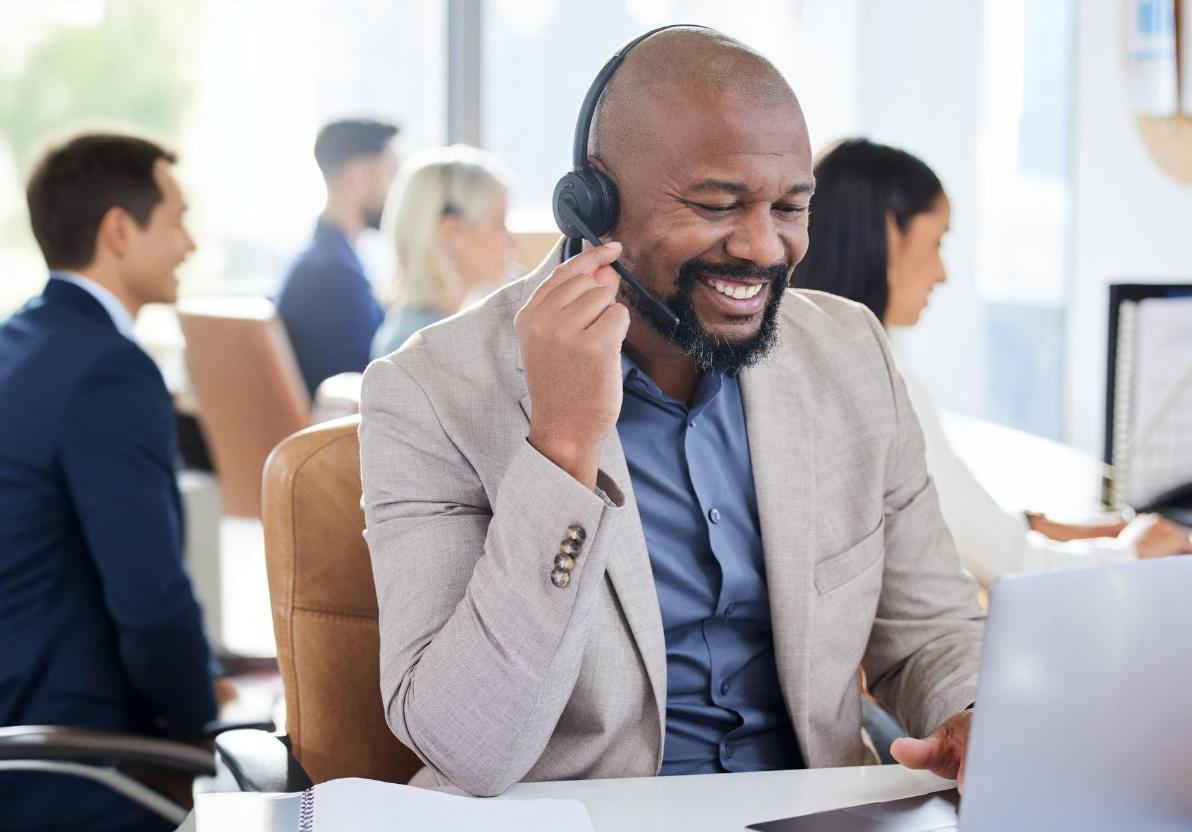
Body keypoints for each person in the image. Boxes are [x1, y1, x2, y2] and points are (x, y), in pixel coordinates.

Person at [359, 27, 982, 796]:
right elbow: (466, 744)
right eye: (717, 205)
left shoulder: (848, 353)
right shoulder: (431, 391)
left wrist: (970, 709)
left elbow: (930, 634)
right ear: (594, 200)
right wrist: (561, 446)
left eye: (790, 206)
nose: (762, 247)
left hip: (816, 810)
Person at [792, 138, 1192, 587]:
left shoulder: (800, 358)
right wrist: (1134, 551)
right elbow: (1011, 569)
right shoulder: (881, 385)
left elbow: (951, 522)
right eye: (936, 241)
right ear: (888, 233)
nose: (942, 273)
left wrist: (1055, 531)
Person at [0, 133, 219, 831]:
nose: (188, 244)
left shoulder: (19, 343)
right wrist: (205, 729)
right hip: (73, 763)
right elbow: (151, 602)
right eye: (176, 219)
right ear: (119, 230)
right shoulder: (110, 371)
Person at [276, 118, 399, 395]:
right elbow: (375, 387)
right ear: (357, 179)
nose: (400, 194)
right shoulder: (333, 276)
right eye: (392, 175)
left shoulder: (320, 262)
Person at [371, 145, 514, 359]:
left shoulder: (411, 331)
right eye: (498, 224)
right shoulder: (427, 347)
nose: (511, 241)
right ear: (453, 232)